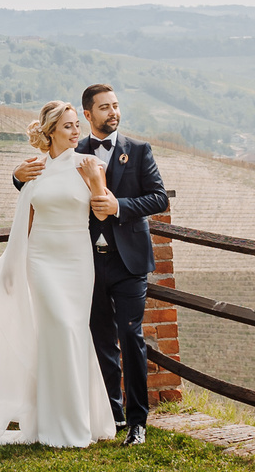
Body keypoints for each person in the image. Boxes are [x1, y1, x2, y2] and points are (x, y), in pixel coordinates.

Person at [0, 101, 119, 448]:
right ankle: (53, 424)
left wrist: (94, 181)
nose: (77, 132)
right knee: (55, 329)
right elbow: (25, 219)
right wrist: (13, 264)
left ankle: (80, 421)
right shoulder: (35, 169)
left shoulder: (90, 165)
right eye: (69, 126)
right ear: (52, 131)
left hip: (76, 260)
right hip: (41, 260)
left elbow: (103, 214)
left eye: (77, 125)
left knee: (73, 331)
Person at [10, 83, 168, 445]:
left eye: (116, 106)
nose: (113, 112)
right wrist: (16, 177)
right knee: (98, 338)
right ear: (87, 114)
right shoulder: (72, 151)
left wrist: (120, 207)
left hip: (129, 261)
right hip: (85, 261)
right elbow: (38, 188)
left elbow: (158, 197)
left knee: (131, 335)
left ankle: (138, 420)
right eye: (104, 107)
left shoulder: (139, 151)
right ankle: (109, 413)